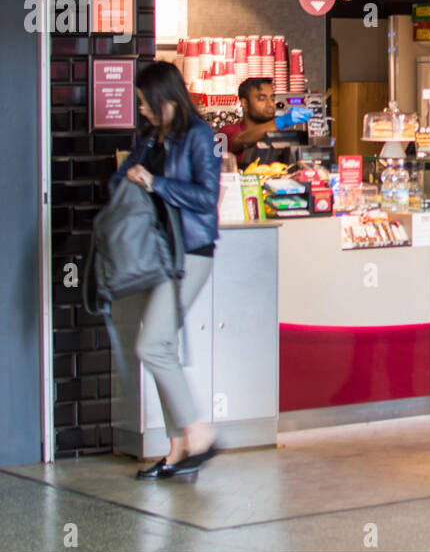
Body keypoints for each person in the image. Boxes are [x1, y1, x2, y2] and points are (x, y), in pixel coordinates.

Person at [109, 60, 222, 479]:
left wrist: (156, 184)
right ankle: (177, 449)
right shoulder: (149, 139)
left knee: (151, 346)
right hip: (153, 254)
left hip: (189, 253)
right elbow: (120, 180)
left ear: (166, 97)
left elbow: (206, 198)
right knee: (163, 349)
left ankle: (200, 435)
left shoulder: (200, 136)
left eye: (144, 101)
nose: (140, 108)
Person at [219, 77, 310, 168]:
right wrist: (281, 121)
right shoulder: (226, 132)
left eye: (272, 99)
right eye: (262, 99)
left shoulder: (279, 133)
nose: (270, 104)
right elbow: (242, 140)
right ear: (245, 104)